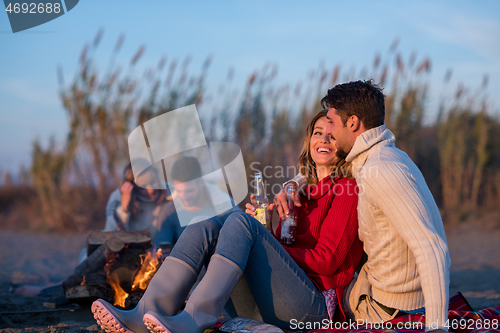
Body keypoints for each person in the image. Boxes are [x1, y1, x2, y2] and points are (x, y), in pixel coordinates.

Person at [91, 110, 364, 333]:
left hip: (309, 310)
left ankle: (195, 317)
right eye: (318, 133)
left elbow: (327, 260)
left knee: (239, 222)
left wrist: (261, 240)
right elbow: (279, 261)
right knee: (204, 224)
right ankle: (148, 310)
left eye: (332, 135)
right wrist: (267, 231)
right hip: (269, 304)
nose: (324, 139)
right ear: (309, 141)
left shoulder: (348, 189)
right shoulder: (295, 191)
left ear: (344, 142)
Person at [277, 80, 450, 332]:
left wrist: (436, 326)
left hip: (383, 307)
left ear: (353, 123)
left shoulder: (380, 169)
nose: (329, 133)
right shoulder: (384, 157)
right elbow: (329, 168)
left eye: (332, 123)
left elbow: (432, 247)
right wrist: (291, 184)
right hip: (372, 287)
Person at [78, 162, 171, 263]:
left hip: (157, 253)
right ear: (131, 185)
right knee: (90, 259)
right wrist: (124, 208)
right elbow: (111, 230)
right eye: (143, 186)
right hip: (127, 254)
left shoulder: (169, 191)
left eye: (153, 181)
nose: (151, 189)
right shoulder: (118, 196)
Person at [155, 156, 241, 248]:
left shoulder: (225, 205)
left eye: (189, 191)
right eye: (179, 191)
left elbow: (240, 238)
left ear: (201, 182)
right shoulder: (170, 211)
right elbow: (159, 248)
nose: (184, 197)